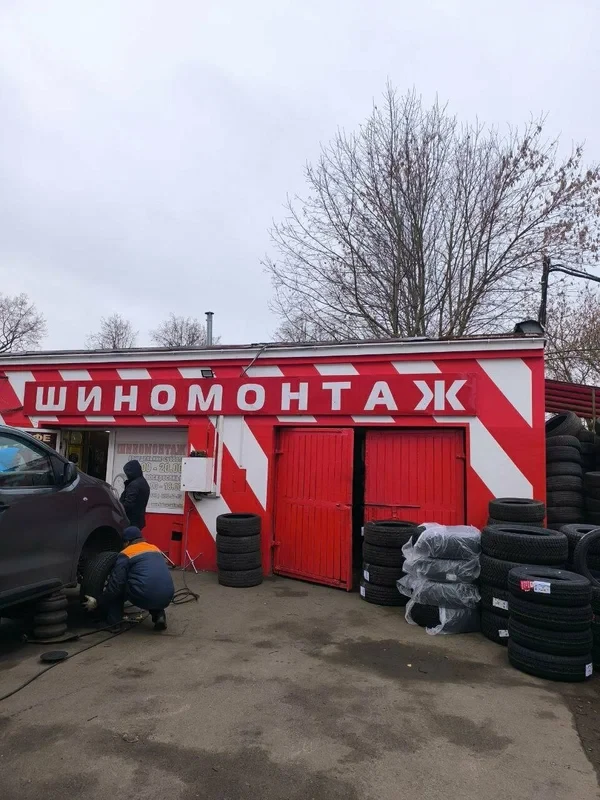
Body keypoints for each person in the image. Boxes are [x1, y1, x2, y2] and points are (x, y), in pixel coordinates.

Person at [83, 526, 174, 630]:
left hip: (146, 595)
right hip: (167, 596)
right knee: (153, 584)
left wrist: (98, 601)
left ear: (127, 542)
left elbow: (116, 585)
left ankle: (113, 624)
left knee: (117, 587)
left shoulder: (126, 553)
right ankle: (159, 616)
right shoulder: (155, 548)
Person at [120, 459, 150, 530]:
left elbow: (128, 504)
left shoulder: (134, 485)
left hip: (130, 521)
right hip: (138, 520)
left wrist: (119, 509)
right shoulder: (143, 482)